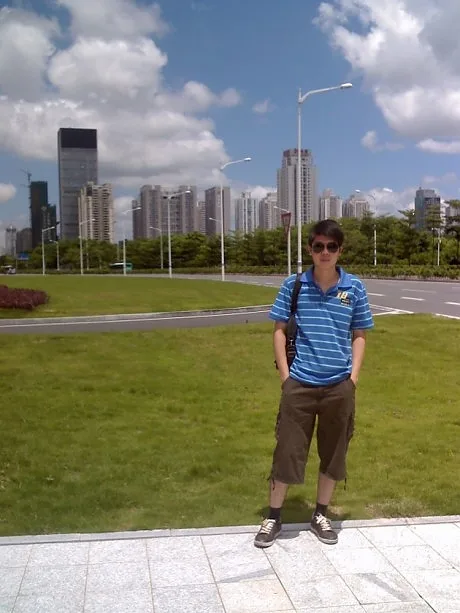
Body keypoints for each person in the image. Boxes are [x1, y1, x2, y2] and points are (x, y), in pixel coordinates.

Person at [254, 219, 374, 548]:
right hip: (300, 385)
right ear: (310, 249)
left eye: (331, 246)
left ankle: (320, 514)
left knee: (334, 452)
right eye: (319, 246)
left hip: (339, 386)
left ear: (340, 251)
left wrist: (352, 379)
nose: (325, 252)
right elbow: (279, 330)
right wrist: (286, 377)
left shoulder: (354, 288)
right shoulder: (294, 285)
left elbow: (359, 334)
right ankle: (273, 517)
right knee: (287, 450)